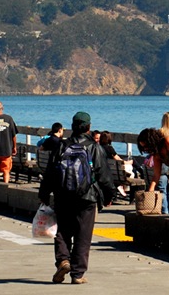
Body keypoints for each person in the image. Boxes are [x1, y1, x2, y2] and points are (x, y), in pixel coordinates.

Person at [37, 111, 115, 285]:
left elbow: (50, 172)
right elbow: (104, 175)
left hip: (63, 194)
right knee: (83, 234)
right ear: (89, 127)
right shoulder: (95, 148)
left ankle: (63, 261)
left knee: (63, 230)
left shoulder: (61, 146)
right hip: (87, 197)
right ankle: (77, 274)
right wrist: (109, 195)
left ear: (72, 126)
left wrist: (44, 194)